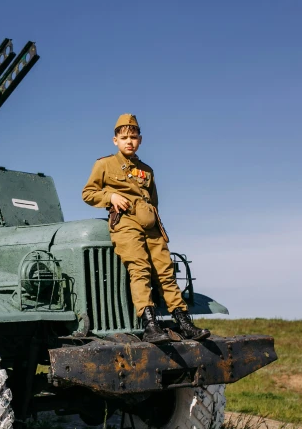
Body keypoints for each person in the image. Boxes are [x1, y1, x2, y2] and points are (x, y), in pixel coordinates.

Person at [82, 114, 210, 344]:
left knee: (166, 273)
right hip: (125, 222)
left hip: (151, 226)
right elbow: (88, 193)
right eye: (124, 138)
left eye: (133, 137)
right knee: (139, 270)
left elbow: (154, 201)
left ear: (140, 139)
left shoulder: (147, 171)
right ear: (115, 141)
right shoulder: (104, 164)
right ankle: (150, 324)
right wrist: (110, 196)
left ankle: (183, 322)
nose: (129, 141)